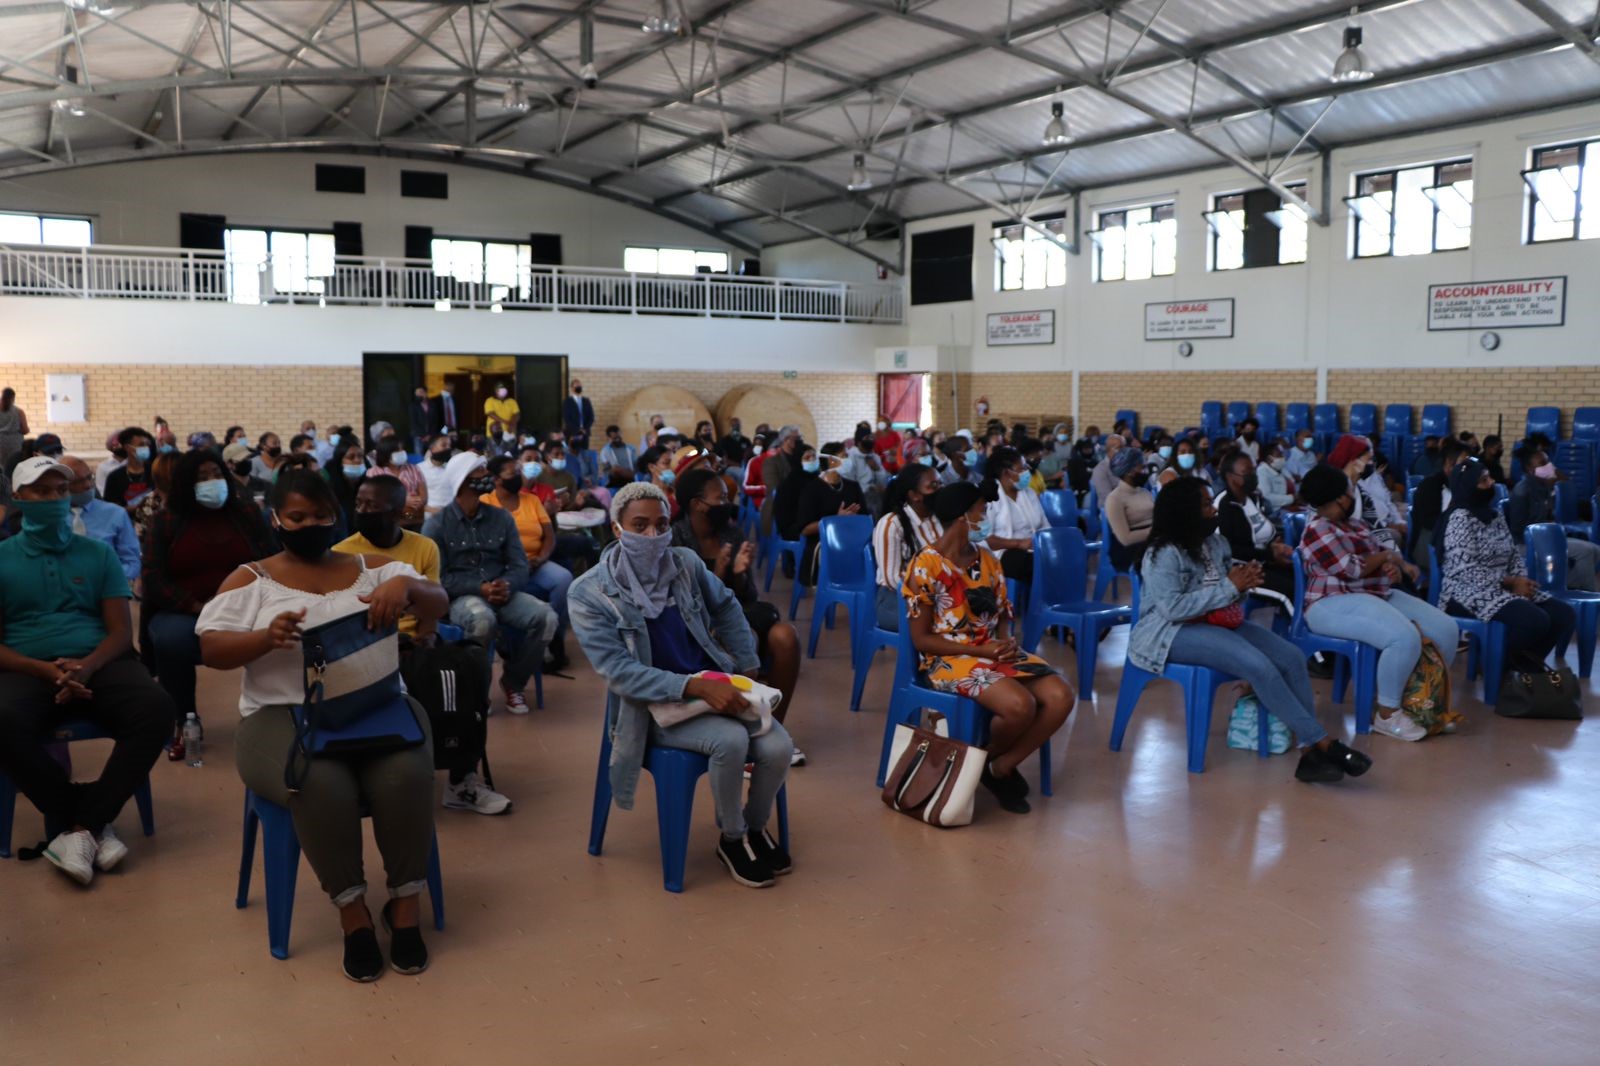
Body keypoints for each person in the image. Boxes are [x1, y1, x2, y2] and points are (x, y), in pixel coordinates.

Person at [197, 469, 446, 981]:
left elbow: (436, 605)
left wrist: (407, 583)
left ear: (337, 517)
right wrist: (265, 637)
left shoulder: (372, 567)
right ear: (277, 519)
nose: (310, 524)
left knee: (405, 777)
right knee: (318, 781)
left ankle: (404, 906)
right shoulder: (252, 579)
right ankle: (352, 914)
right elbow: (212, 649)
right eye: (297, 517)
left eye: (321, 515)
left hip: (374, 708)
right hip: (280, 718)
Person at [570, 482, 794, 888]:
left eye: (660, 524)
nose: (653, 536)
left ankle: (754, 827)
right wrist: (694, 687)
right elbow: (619, 672)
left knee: (779, 746)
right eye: (640, 525)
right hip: (651, 707)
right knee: (729, 741)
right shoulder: (588, 592)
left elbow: (725, 605)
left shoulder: (684, 564)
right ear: (618, 529)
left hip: (711, 686)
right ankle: (732, 838)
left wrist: (747, 665)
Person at [1127, 476, 1374, 784]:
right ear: (1185, 511)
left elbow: (1228, 592)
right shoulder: (1163, 554)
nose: (1213, 510)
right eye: (1205, 505)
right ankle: (1321, 743)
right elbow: (1172, 609)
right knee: (1258, 665)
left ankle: (1309, 754)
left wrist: (1244, 582)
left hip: (1214, 620)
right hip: (1168, 632)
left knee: (1292, 656)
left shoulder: (1215, 543)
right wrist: (1230, 586)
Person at [0, 454, 172, 884]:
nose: (55, 499)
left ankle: (81, 827)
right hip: (25, 666)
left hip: (99, 660)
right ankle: (88, 817)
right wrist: (44, 671)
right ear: (19, 497)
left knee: (155, 707)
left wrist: (85, 667)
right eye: (41, 491)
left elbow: (119, 633)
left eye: (61, 490)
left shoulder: (97, 554)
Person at [330, 474, 510, 816]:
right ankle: (385, 776)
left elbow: (432, 607)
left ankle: (461, 780)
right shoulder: (341, 552)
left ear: (398, 513)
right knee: (413, 683)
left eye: (373, 506)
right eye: (359, 504)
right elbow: (345, 620)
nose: (363, 511)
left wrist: (423, 637)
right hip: (368, 645)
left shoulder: (423, 547)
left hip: (415, 640)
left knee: (469, 671)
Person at [902, 482, 1072, 814]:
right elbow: (921, 640)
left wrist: (1005, 642)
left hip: (990, 650)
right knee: (1020, 705)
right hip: (947, 659)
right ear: (963, 517)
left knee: (1060, 696)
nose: (987, 515)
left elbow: (1002, 615)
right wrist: (984, 653)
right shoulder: (926, 565)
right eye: (982, 509)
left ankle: (996, 765)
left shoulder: (988, 560)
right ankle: (989, 763)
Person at [1297, 464, 1460, 742]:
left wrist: (1392, 567)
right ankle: (1387, 714)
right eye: (1349, 492)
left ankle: (1420, 704)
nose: (1353, 496)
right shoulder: (1317, 529)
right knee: (1402, 637)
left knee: (1445, 629)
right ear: (1337, 499)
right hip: (1331, 604)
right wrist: (1385, 560)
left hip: (1374, 594)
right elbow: (1353, 569)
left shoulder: (1354, 524)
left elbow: (1378, 554)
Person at [142, 447, 275, 755]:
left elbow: (271, 558)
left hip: (248, 606)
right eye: (202, 478)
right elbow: (152, 577)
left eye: (217, 475)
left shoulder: (247, 514)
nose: (212, 482)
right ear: (186, 483)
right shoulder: (166, 521)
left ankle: (273, 714)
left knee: (286, 630)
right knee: (172, 641)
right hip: (187, 609)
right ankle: (184, 719)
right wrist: (194, 605)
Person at [671, 468, 802, 751]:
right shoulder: (675, 540)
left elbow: (748, 596)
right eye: (721, 497)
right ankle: (742, 731)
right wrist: (717, 573)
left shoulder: (730, 532)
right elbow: (686, 606)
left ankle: (771, 729)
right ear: (697, 504)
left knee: (785, 635)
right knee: (747, 637)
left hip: (738, 614)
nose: (728, 503)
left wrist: (740, 574)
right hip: (698, 625)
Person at [423, 453, 558, 714]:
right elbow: (438, 578)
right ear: (463, 480)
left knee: (546, 618)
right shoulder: (437, 525)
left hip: (503, 591)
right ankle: (477, 690)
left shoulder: (501, 518)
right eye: (480, 471)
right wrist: (479, 588)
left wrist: (506, 584)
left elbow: (519, 564)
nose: (487, 476)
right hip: (463, 597)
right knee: (483, 620)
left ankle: (513, 682)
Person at [1437, 458, 1577, 671]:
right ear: (1468, 486)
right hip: (1465, 592)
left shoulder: (1495, 515)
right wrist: (1510, 583)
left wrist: (1522, 580)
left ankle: (1520, 666)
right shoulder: (1459, 518)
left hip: (1504, 587)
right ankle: (1494, 666)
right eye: (1483, 481)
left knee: (1562, 614)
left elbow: (1512, 555)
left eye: (1489, 478)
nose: (1491, 483)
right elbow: (1464, 570)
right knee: (1534, 620)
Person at [480, 455, 572, 671]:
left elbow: (549, 536)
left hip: (535, 563)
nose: (518, 476)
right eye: (511, 473)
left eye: (517, 472)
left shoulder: (531, 501)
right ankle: (514, 645)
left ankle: (552, 637)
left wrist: (541, 558)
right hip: (504, 567)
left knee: (564, 579)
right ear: (496, 479)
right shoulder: (486, 502)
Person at [1506, 447, 1599, 591]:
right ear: (1531, 469)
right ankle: (1590, 593)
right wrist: (1545, 533)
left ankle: (1572, 583)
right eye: (1542, 463)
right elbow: (1518, 530)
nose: (1548, 466)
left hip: (1547, 538)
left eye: (1548, 461)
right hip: (1525, 543)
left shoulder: (1544, 487)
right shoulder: (1522, 491)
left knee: (1595, 550)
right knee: (1584, 552)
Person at [1213, 451, 1295, 612]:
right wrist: (1270, 555)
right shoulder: (1225, 506)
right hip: (1240, 572)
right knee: (1290, 589)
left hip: (1261, 562)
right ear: (1231, 477)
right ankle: (1297, 630)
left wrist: (1274, 547)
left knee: (1300, 574)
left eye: (1253, 470)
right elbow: (1231, 550)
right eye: (1247, 472)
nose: (1253, 475)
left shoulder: (1252, 498)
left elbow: (1262, 531)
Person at [790, 444, 865, 585]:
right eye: (844, 456)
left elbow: (865, 517)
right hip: (823, 543)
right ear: (831, 460)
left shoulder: (852, 486)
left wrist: (855, 521)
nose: (848, 460)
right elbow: (805, 529)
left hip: (852, 541)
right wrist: (836, 521)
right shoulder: (812, 489)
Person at [60, 457, 140, 586]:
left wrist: (108, 577)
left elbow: (132, 562)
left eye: (89, 477)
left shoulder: (116, 514)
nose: (88, 485)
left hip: (108, 589)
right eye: (78, 481)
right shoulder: (51, 517)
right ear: (62, 486)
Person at [981, 445, 1049, 586]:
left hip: (1034, 548)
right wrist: (1018, 544)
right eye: (1022, 468)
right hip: (1003, 553)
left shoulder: (1029, 493)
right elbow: (984, 539)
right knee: (1031, 563)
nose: (1027, 471)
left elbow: (1044, 525)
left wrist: (1048, 543)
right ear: (1006, 473)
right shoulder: (988, 497)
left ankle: (1055, 602)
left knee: (1058, 557)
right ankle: (1033, 604)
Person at [1410, 437, 1468, 570]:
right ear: (1449, 464)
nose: (1468, 470)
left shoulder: (1464, 486)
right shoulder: (1430, 486)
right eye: (1463, 465)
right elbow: (1430, 523)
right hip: (1429, 546)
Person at [1103, 445, 1153, 572]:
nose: (1146, 470)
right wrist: (1155, 532)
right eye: (1142, 466)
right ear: (1130, 471)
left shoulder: (1144, 492)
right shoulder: (1114, 499)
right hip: (1128, 550)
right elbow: (1125, 538)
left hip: (1150, 542)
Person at [368, 440, 427, 530]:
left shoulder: (414, 469)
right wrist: (402, 501)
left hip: (414, 519)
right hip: (386, 521)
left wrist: (418, 502)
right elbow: (373, 498)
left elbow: (423, 494)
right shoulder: (374, 472)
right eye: (398, 451)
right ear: (387, 453)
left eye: (402, 449)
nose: (402, 453)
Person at [759, 426, 801, 539]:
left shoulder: (801, 460)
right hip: (780, 509)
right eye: (797, 438)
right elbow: (775, 489)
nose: (800, 441)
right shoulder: (771, 462)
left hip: (801, 506)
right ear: (786, 440)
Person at [102, 427, 156, 511]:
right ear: (127, 447)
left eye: (147, 445)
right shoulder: (115, 477)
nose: (146, 448)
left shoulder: (155, 472)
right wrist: (133, 509)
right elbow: (110, 508)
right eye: (141, 445)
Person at [327, 441, 367, 530]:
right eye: (351, 457)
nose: (357, 460)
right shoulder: (330, 490)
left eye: (360, 456)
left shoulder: (369, 486)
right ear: (340, 462)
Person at [420, 434, 455, 515]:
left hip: (453, 515)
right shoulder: (419, 469)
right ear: (432, 449)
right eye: (444, 445)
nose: (448, 448)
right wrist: (434, 511)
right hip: (431, 516)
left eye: (449, 445)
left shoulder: (453, 467)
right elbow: (415, 500)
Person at [1256, 441, 1294, 512]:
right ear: (1269, 459)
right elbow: (1266, 497)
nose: (1283, 458)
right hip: (1274, 512)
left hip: (1287, 507)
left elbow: (1293, 481)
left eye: (1282, 455)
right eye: (1279, 455)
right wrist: (1292, 498)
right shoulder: (1261, 471)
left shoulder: (1281, 469)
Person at [1089, 433, 1125, 503]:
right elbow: (1107, 498)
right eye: (1119, 448)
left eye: (1124, 448)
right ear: (1109, 450)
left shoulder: (1127, 466)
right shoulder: (1100, 470)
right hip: (1112, 508)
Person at [598, 425, 637, 490]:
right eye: (615, 438)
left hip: (631, 480)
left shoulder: (631, 448)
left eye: (619, 437)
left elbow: (635, 465)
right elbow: (607, 469)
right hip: (614, 483)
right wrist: (619, 471)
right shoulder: (605, 451)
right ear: (609, 438)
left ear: (621, 434)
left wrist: (623, 472)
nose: (617, 440)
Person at [0, 386, 29, 468]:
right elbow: (25, 430)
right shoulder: (19, 411)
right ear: (13, 398)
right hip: (15, 443)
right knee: (15, 466)